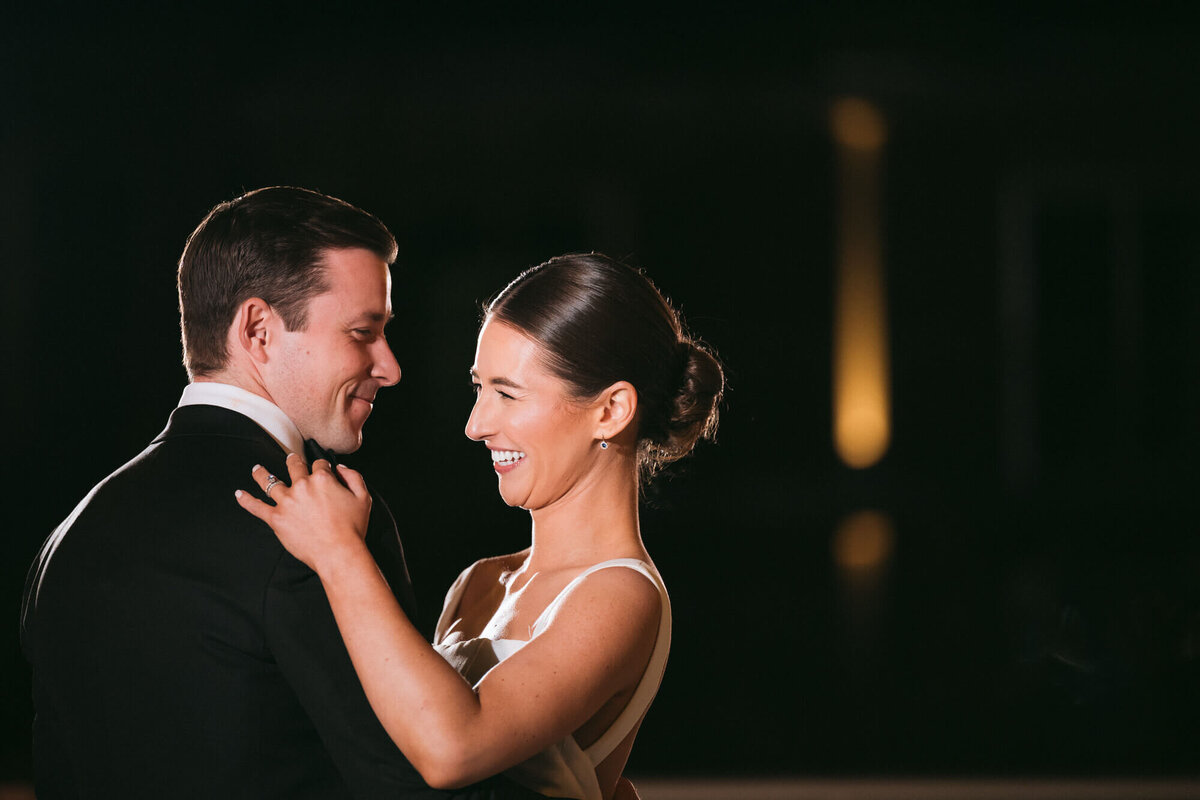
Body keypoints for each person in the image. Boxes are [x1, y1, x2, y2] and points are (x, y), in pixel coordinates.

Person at [20, 186, 550, 799]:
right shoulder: (320, 522)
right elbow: (410, 785)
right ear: (259, 330)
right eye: (362, 332)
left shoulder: (70, 535)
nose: (390, 366)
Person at [237, 253, 724, 800]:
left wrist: (340, 554)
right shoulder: (478, 583)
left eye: (508, 394)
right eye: (478, 389)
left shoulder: (621, 594)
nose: (475, 425)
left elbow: (452, 750)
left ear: (610, 410)